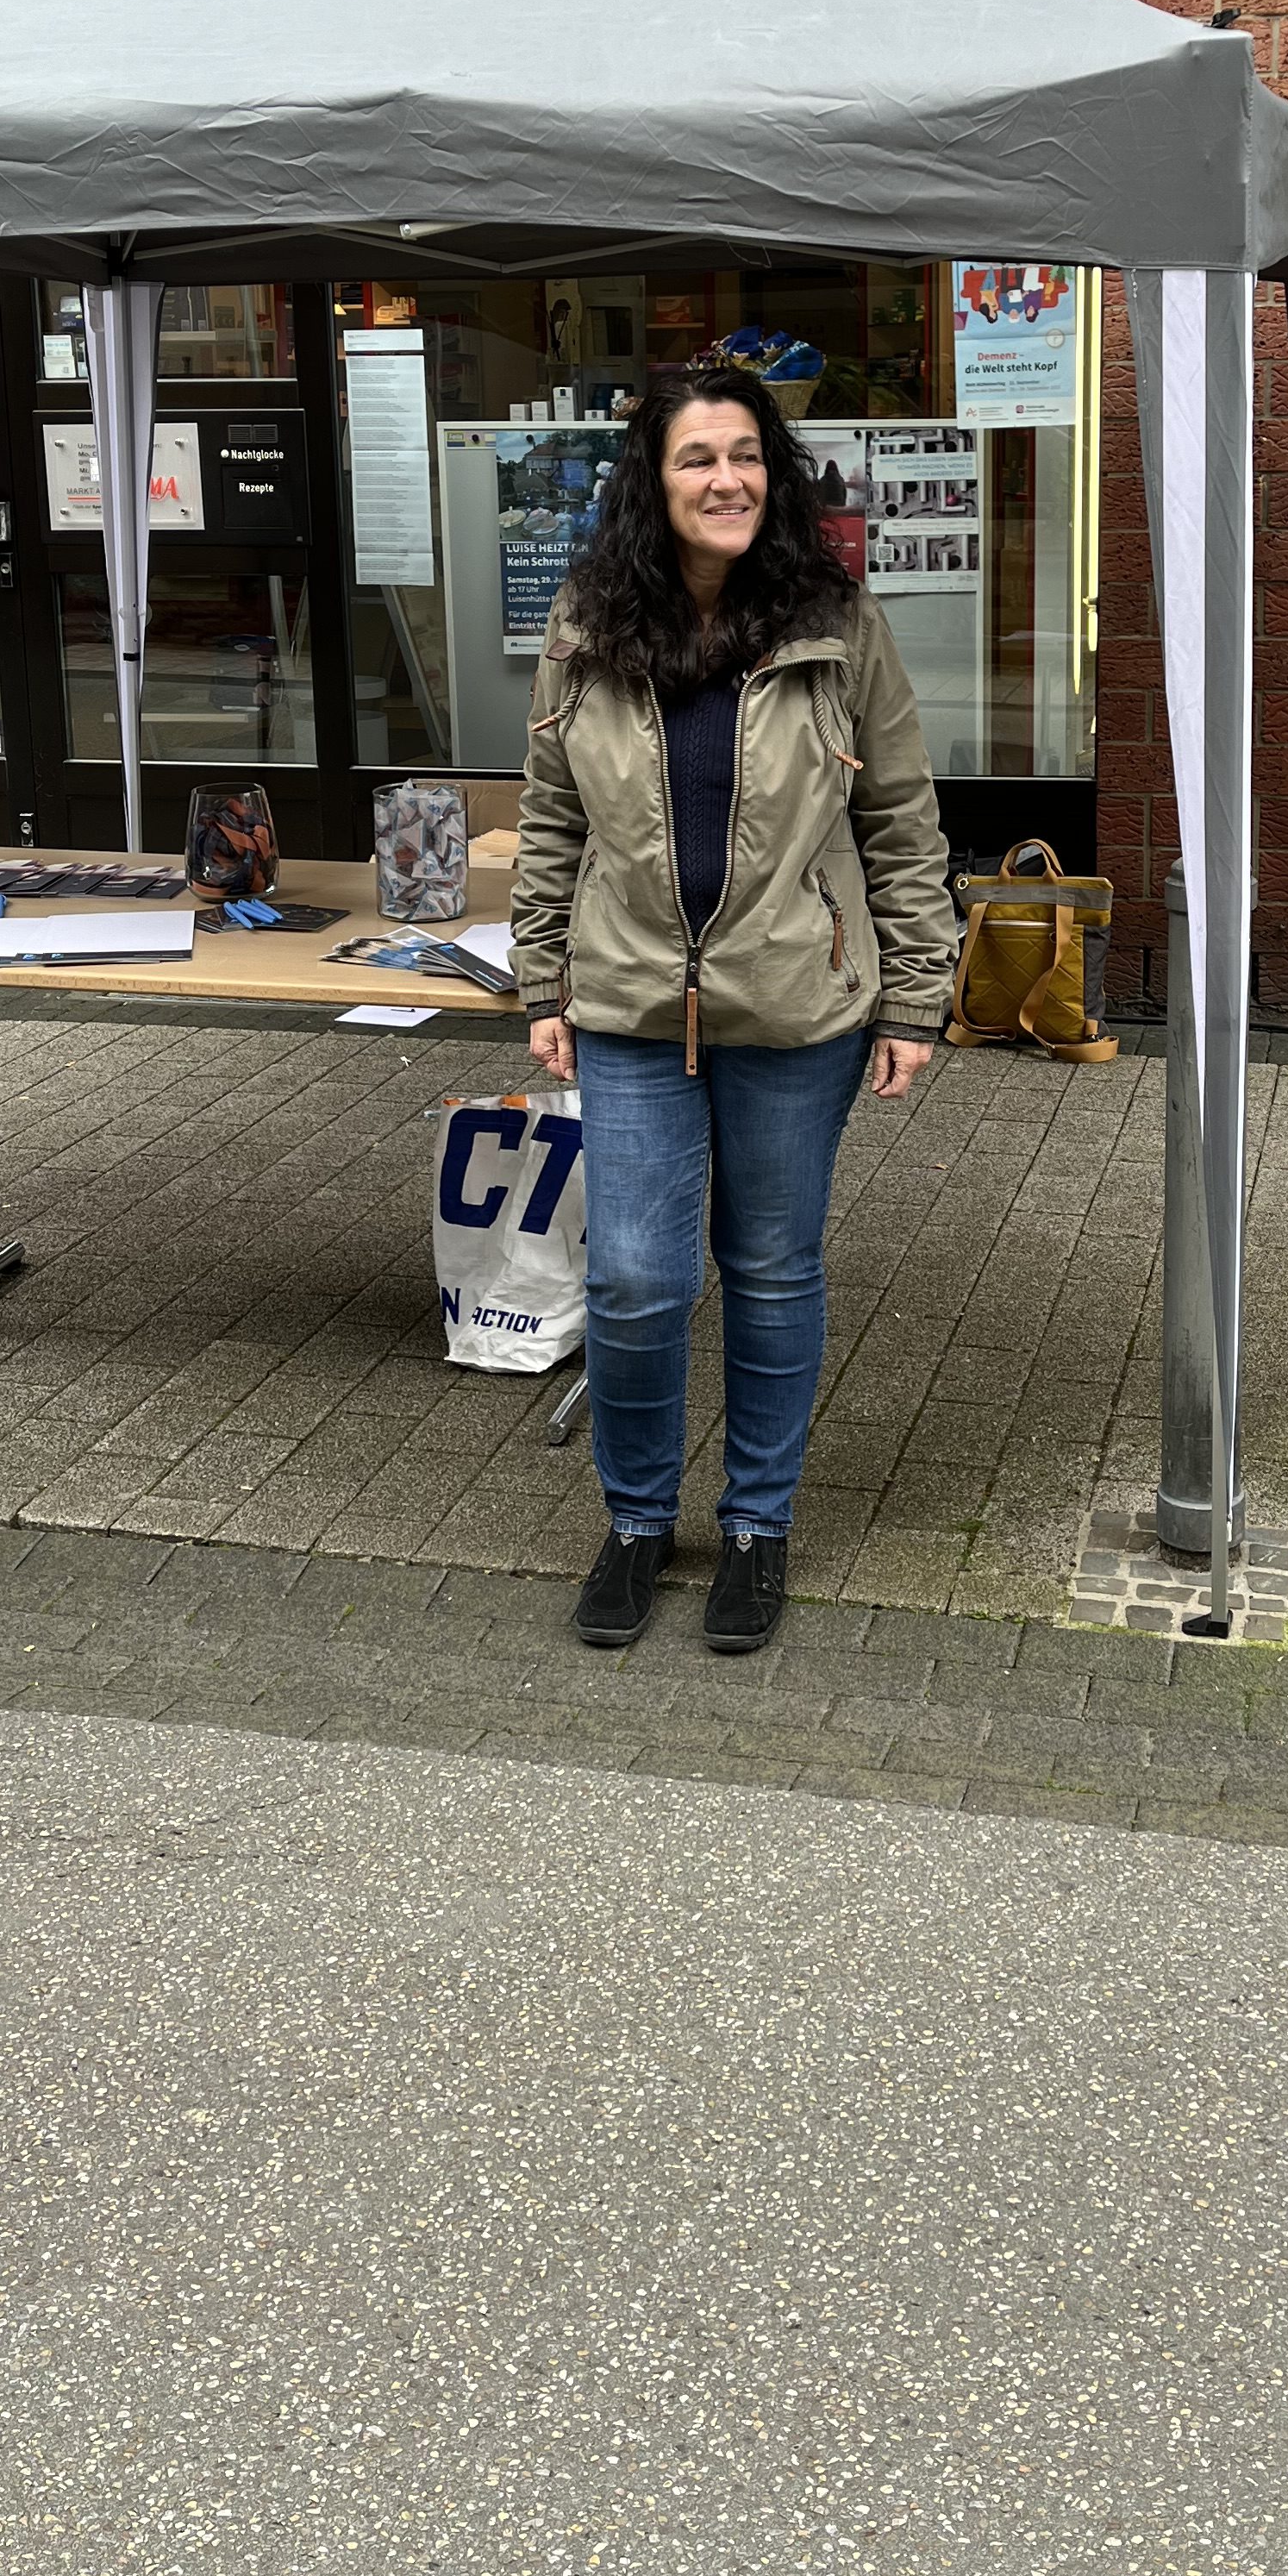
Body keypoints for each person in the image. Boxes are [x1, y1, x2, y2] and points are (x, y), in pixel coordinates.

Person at [511, 364, 956, 1659]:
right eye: (699, 458)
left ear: (778, 472)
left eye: (748, 455)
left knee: (770, 1270)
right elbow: (550, 810)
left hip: (797, 1005)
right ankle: (637, 1520)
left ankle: (758, 1525)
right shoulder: (588, 621)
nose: (728, 480)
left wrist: (916, 996)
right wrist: (542, 977)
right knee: (636, 1280)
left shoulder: (837, 621)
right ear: (653, 482)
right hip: (630, 1001)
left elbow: (902, 820)